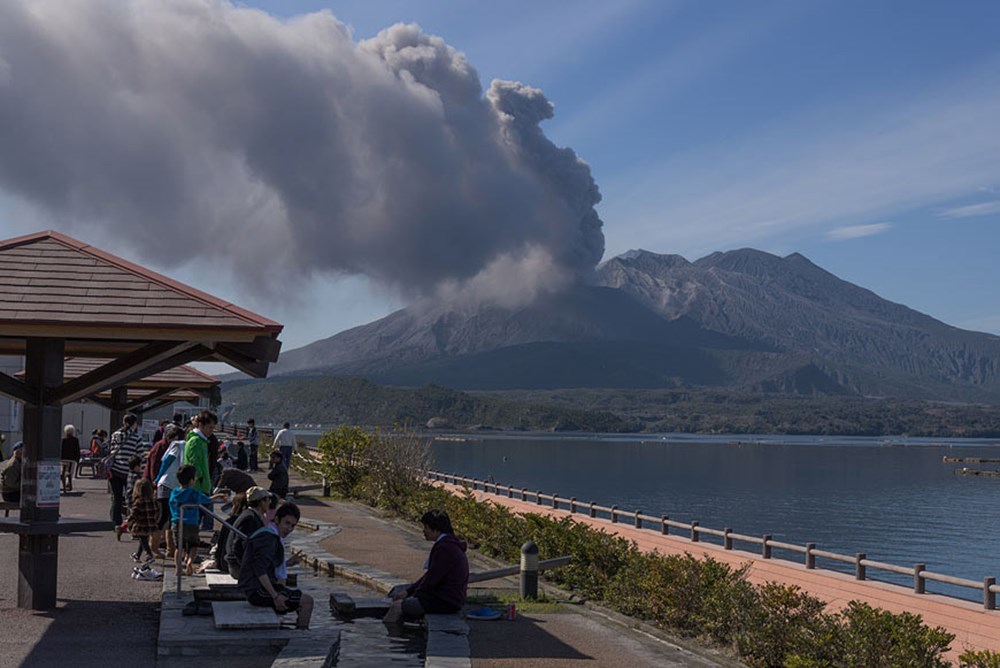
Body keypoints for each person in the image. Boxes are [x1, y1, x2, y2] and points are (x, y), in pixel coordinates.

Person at [238, 502, 314, 630]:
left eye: (293, 526)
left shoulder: (267, 534)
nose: (289, 529)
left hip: (255, 588)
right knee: (307, 601)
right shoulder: (269, 539)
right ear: (277, 519)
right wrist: (276, 596)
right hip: (257, 591)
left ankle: (298, 629)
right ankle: (302, 636)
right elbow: (260, 570)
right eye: (287, 523)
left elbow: (263, 564)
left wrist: (287, 563)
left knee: (298, 598)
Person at [388, 509, 469, 620]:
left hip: (446, 602)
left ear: (435, 529)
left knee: (396, 607)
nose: (423, 531)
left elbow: (432, 578)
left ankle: (391, 633)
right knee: (402, 601)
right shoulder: (450, 544)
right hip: (450, 599)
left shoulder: (444, 548)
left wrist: (413, 596)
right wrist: (408, 592)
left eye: (426, 527)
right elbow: (430, 575)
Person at [169, 465, 226, 576]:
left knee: (178, 547)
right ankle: (190, 562)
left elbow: (171, 505)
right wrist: (218, 496)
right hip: (192, 523)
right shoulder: (193, 493)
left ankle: (178, 568)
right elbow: (207, 499)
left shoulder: (174, 493)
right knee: (194, 546)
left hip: (177, 522)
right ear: (191, 480)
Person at [226, 486, 275, 578]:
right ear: (261, 502)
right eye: (268, 499)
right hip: (237, 567)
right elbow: (237, 545)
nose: (270, 502)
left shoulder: (252, 516)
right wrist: (246, 567)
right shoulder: (249, 519)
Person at [109, 413, 144, 533]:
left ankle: (116, 522)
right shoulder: (136, 438)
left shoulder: (115, 435)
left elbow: (111, 451)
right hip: (129, 472)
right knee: (131, 499)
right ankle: (131, 523)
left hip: (115, 471)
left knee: (117, 498)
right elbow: (140, 456)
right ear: (134, 424)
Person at [155, 429, 186, 559]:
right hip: (167, 483)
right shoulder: (178, 445)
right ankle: (153, 548)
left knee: (169, 519)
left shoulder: (180, 445)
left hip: (172, 485)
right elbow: (166, 462)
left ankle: (170, 549)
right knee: (163, 517)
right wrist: (157, 478)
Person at [127, 477, 160, 568]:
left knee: (143, 539)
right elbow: (157, 511)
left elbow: (134, 513)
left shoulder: (139, 501)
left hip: (141, 524)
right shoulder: (153, 501)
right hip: (151, 523)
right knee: (143, 539)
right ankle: (137, 554)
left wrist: (128, 521)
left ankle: (149, 554)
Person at [60, 424, 81, 492]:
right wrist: (77, 459)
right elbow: (77, 450)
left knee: (63, 472)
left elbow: (61, 449)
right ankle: (69, 484)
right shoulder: (75, 440)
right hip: (72, 459)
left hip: (63, 459)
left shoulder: (63, 440)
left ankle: (65, 484)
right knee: (70, 473)